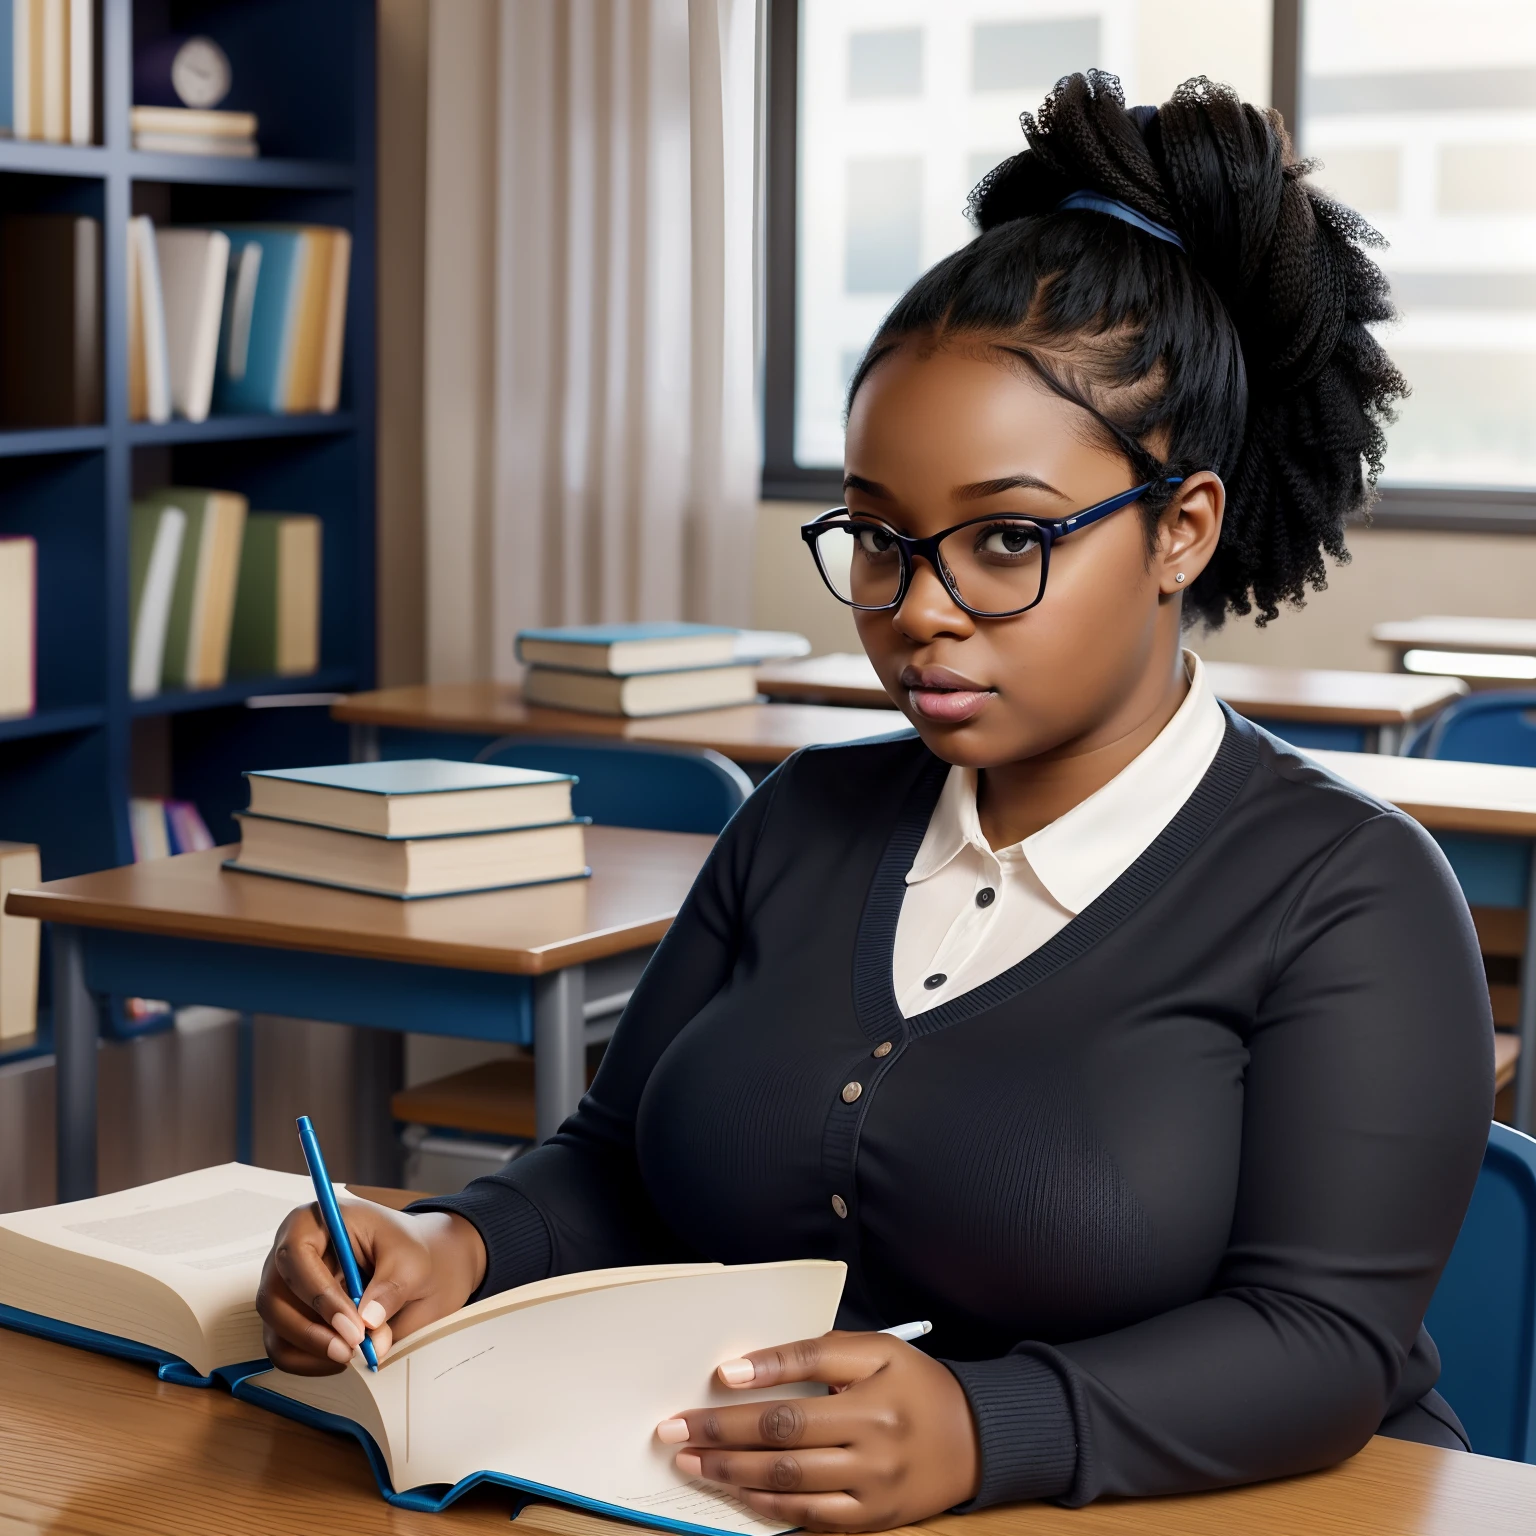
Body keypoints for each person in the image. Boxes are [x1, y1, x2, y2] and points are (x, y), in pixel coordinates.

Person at [257, 72, 1493, 1529]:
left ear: (1181, 530)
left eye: (1009, 539)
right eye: (883, 539)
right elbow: (615, 1162)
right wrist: (453, 1241)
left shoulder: (1353, 895)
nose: (921, 611)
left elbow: (1324, 1347)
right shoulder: (799, 822)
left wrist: (987, 1427)